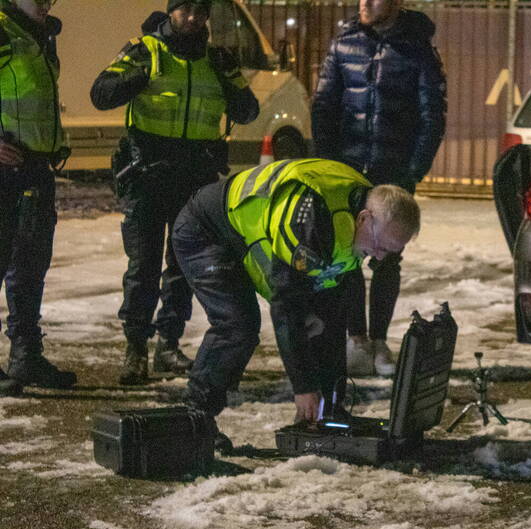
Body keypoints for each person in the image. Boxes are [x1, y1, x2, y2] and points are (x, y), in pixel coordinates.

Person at [171, 158, 420, 442]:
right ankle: (194, 419)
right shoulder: (312, 224)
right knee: (238, 325)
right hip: (204, 230)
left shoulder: (363, 219)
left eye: (390, 251)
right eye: (380, 246)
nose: (379, 256)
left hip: (244, 232)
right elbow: (286, 305)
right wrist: (303, 388)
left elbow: (332, 312)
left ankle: (328, 413)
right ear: (364, 218)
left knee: (322, 318)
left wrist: (330, 403)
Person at [90, 0, 258, 386]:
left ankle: (168, 344)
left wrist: (231, 76)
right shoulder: (144, 49)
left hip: (195, 178)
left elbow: (248, 111)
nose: (195, 18)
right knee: (144, 266)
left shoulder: (216, 60)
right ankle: (136, 348)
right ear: (172, 11)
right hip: (148, 174)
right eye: (187, 10)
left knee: (183, 267)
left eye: (202, 11)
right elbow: (100, 94)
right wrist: (135, 77)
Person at [311, 0, 445, 378]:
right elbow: (323, 106)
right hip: (347, 170)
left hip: (393, 170)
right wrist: (328, 164)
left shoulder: (417, 48)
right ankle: (357, 340)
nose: (365, 3)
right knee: (349, 251)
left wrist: (413, 171)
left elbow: (431, 113)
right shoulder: (344, 43)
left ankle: (381, 341)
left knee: (387, 258)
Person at [0, 0, 76, 396]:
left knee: (30, 265)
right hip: (3, 169)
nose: (47, 3)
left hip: (34, 168)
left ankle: (26, 356)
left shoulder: (39, 36)